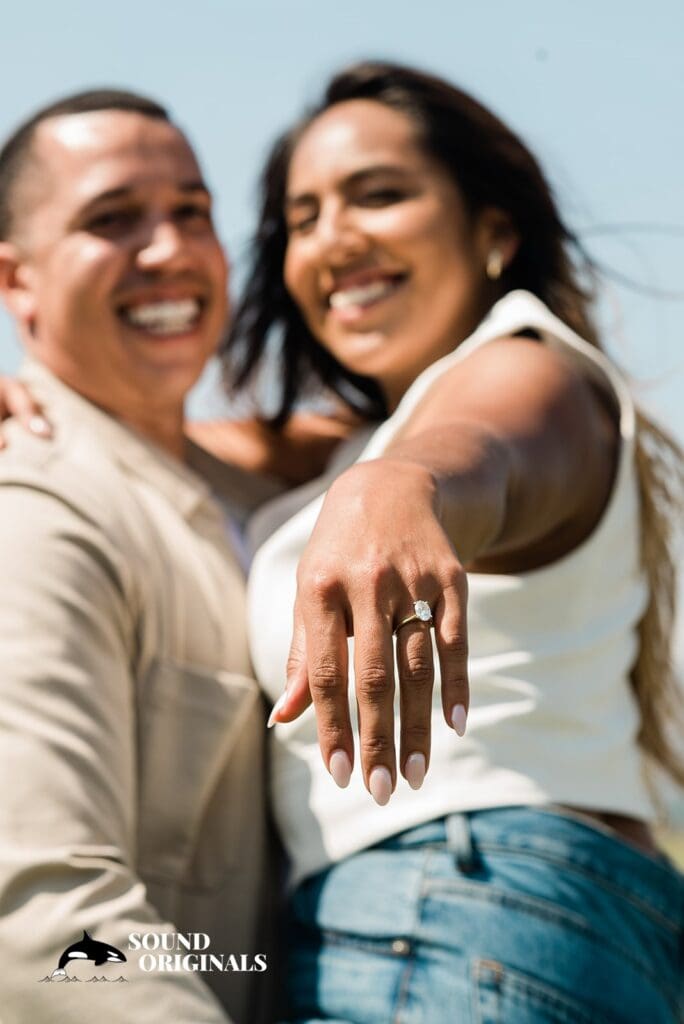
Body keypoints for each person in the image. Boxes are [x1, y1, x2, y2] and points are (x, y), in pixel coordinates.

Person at [226, 62, 684, 1022]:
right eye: (302, 217)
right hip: (520, 920)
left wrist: (405, 485)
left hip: (452, 912)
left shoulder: (528, 374)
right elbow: (182, 436)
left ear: (494, 231)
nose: (333, 239)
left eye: (379, 195)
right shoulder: (356, 436)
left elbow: (486, 453)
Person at [0, 89, 285, 1023]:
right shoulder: (37, 511)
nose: (169, 251)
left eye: (192, 212)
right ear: (17, 282)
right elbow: (43, 916)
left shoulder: (258, 499)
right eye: (112, 220)